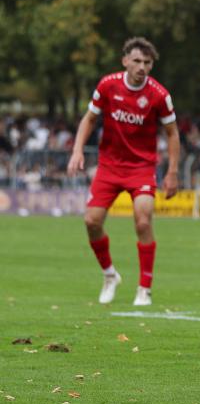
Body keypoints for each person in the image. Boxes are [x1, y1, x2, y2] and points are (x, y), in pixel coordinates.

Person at [67, 37, 180, 306]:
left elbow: (173, 133)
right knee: (91, 222)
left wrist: (173, 171)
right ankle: (109, 275)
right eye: (137, 61)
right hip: (109, 165)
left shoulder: (159, 95)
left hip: (141, 167)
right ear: (125, 60)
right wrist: (77, 150)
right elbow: (90, 119)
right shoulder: (108, 85)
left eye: (148, 62)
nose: (142, 67)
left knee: (143, 219)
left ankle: (144, 289)